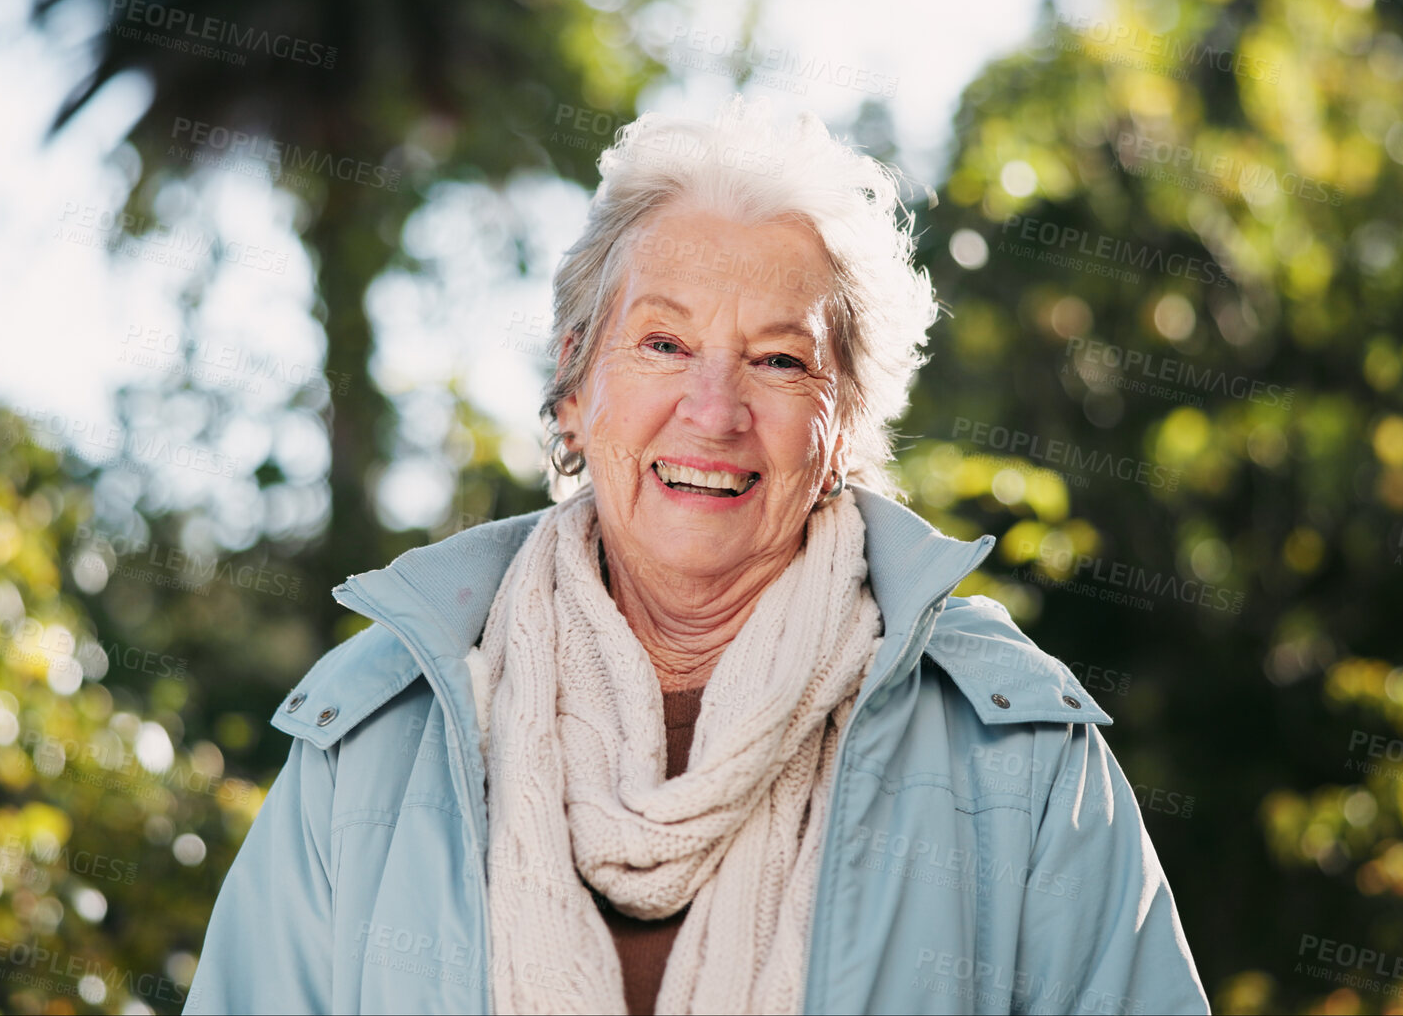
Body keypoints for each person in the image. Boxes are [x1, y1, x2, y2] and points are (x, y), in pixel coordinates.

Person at [185, 96, 1209, 1015]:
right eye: (664, 345)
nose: (713, 413)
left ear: (846, 422)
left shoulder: (1019, 752)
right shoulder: (372, 734)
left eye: (777, 359)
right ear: (575, 387)